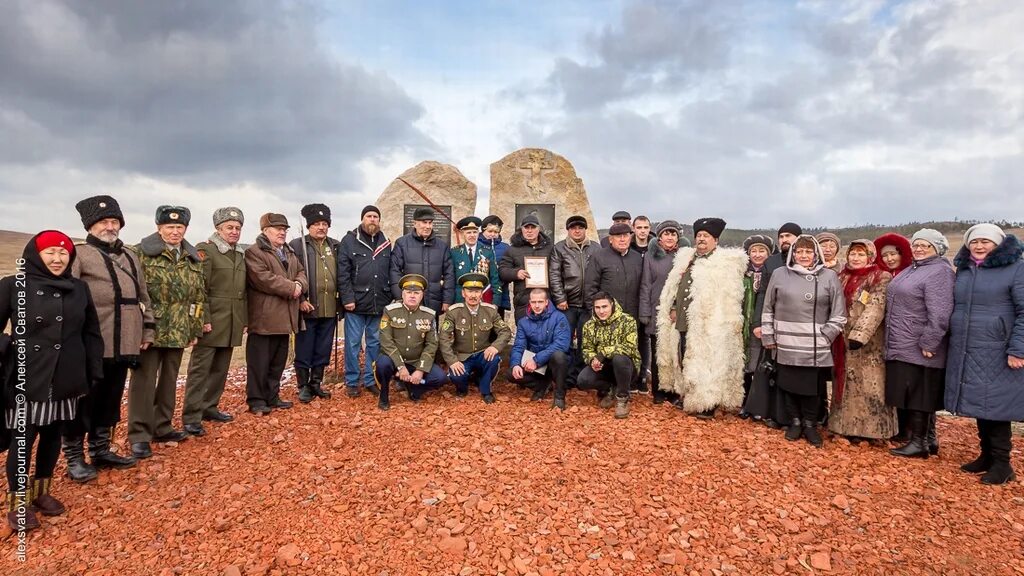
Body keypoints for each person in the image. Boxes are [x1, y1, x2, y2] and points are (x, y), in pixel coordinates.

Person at [1, 231, 103, 531]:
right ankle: (17, 504)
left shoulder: (79, 289)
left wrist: (92, 369)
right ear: (36, 254)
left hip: (66, 376)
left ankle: (41, 493)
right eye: (51, 253)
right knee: (23, 440)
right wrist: (6, 347)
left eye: (63, 253)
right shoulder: (13, 285)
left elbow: (91, 333)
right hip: (27, 375)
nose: (58, 259)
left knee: (52, 437)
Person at [62, 196, 152, 481]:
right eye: (104, 222)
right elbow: (68, 296)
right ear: (91, 226)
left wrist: (147, 330)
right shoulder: (79, 255)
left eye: (114, 222)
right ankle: (74, 457)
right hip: (91, 342)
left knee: (111, 398)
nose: (110, 227)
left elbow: (143, 297)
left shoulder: (130, 256)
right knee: (83, 400)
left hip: (125, 341)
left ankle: (101, 450)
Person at [945, 224, 1024, 484]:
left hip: (999, 348)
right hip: (969, 347)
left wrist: (1018, 349)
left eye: (985, 242)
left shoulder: (1015, 269)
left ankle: (1003, 463)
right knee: (981, 401)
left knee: (997, 405)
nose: (979, 246)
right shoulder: (966, 270)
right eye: (974, 241)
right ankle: (987, 455)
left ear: (998, 244)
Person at [127, 206, 206, 459]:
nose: (175, 232)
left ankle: (162, 426)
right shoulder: (140, 254)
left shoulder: (192, 258)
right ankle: (139, 435)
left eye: (179, 227)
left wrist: (194, 327)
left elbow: (197, 297)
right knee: (144, 382)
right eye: (169, 227)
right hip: (150, 330)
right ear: (159, 228)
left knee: (170, 380)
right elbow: (135, 295)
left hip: (179, 328)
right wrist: (139, 330)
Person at [657, 218, 748, 419]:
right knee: (683, 357)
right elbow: (676, 286)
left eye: (706, 236)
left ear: (715, 239)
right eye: (698, 236)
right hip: (683, 320)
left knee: (707, 361)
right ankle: (689, 395)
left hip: (709, 322)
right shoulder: (687, 259)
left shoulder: (724, 263)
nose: (701, 240)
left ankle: (706, 401)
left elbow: (728, 297)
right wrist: (672, 306)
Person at [761, 235, 846, 447]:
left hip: (815, 344)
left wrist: (826, 335)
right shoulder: (780, 274)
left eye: (808, 252)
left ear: (816, 253)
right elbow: (768, 306)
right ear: (793, 253)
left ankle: (810, 424)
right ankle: (795, 421)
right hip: (786, 340)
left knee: (811, 387)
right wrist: (769, 335)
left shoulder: (828, 276)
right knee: (788, 383)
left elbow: (839, 312)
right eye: (800, 252)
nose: (804, 256)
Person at [884, 229, 954, 459]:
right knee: (915, 390)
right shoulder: (914, 268)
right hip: (904, 341)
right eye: (916, 244)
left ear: (938, 249)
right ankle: (929, 439)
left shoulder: (939, 272)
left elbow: (941, 313)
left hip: (919, 342)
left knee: (920, 392)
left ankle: (918, 442)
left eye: (926, 245)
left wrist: (930, 341)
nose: (919, 248)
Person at [181, 207, 247, 437]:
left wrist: (243, 319)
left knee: (220, 369)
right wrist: (202, 319)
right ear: (218, 229)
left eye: (238, 228)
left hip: (231, 321)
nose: (234, 231)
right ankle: (191, 416)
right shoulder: (206, 251)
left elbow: (242, 291)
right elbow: (199, 289)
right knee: (200, 370)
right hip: (212, 321)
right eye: (229, 227)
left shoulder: (238, 254)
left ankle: (210, 407)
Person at [827, 240, 897, 442]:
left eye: (860, 255)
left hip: (869, 343)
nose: (855, 258)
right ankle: (845, 426)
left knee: (869, 385)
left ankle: (872, 430)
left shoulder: (880, 277)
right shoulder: (842, 277)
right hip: (841, 340)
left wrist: (860, 334)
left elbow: (876, 306)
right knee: (846, 384)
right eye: (852, 254)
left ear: (870, 257)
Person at [245, 213, 308, 415]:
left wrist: (299, 284)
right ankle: (256, 400)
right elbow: (263, 279)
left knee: (277, 361)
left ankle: (272, 396)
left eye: (284, 229)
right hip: (264, 318)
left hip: (284, 318)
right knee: (259, 362)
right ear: (265, 231)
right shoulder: (254, 252)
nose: (282, 232)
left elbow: (301, 272)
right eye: (278, 229)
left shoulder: (288, 252)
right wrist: (292, 288)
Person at [337, 205, 391, 398]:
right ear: (362, 219)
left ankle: (370, 379)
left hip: (379, 304)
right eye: (369, 216)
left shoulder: (385, 242)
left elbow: (389, 271)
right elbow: (343, 274)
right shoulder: (349, 241)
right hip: (356, 304)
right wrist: (348, 298)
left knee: (375, 344)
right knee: (352, 344)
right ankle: (352, 381)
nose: (372, 219)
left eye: (376, 216)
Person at [290, 203, 341, 403]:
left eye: (324, 224)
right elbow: (292, 274)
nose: (321, 227)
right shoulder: (297, 246)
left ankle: (316, 383)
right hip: (307, 307)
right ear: (309, 226)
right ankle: (303, 385)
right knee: (305, 347)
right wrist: (301, 299)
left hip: (329, 306)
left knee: (323, 347)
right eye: (317, 224)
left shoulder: (335, 246)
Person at [374, 274, 447, 410]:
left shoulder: (429, 315)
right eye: (409, 292)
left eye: (416, 293)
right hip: (394, 361)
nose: (412, 296)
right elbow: (386, 341)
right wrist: (401, 367)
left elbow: (431, 345)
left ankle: (414, 388)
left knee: (440, 377)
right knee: (383, 364)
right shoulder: (390, 311)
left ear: (422, 295)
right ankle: (384, 395)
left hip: (416, 361)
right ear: (402, 294)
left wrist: (420, 370)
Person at [586, 221, 644, 392]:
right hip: (606, 319)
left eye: (626, 235)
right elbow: (591, 287)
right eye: (618, 236)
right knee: (606, 354)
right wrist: (596, 314)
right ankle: (607, 387)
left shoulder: (636, 258)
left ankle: (626, 386)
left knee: (626, 355)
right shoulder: (599, 256)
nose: (622, 239)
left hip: (631, 316)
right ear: (610, 239)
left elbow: (642, 286)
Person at [439, 273, 512, 404]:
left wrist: (494, 347)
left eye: (477, 291)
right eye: (470, 291)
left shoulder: (490, 311)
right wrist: (452, 360)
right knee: (457, 375)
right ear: (463, 293)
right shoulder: (454, 312)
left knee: (494, 360)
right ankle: (462, 388)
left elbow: (505, 332)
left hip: (482, 354)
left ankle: (485, 390)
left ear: (481, 294)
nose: (473, 295)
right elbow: (444, 338)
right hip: (462, 356)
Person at [873, 232, 914, 439]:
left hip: (907, 335)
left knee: (911, 384)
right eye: (885, 255)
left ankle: (916, 431)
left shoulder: (911, 274)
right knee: (892, 382)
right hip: (885, 335)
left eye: (893, 254)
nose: (889, 259)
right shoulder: (878, 276)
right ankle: (897, 426)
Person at [549, 215, 598, 387]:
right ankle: (567, 378)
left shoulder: (596, 248)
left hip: (589, 305)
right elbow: (554, 275)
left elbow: (600, 275)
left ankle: (581, 377)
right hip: (567, 304)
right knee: (565, 341)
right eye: (573, 228)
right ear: (568, 230)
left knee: (586, 342)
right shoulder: (560, 248)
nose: (577, 230)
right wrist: (560, 298)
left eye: (580, 227)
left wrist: (596, 302)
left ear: (585, 229)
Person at [574, 292, 640, 418]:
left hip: (626, 368)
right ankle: (610, 389)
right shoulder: (589, 325)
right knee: (582, 380)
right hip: (604, 367)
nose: (601, 311)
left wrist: (603, 353)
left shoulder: (627, 321)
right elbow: (586, 349)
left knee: (619, 359)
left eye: (605, 307)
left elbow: (630, 347)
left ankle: (622, 399)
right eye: (597, 308)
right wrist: (593, 359)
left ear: (612, 305)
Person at [639, 220, 683, 405]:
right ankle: (658, 390)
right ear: (659, 237)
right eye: (666, 233)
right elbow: (645, 285)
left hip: (678, 311)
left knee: (675, 351)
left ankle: (674, 390)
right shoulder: (650, 257)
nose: (670, 237)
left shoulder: (684, 257)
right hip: (658, 309)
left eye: (673, 234)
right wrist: (645, 312)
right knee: (659, 352)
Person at [739, 234, 779, 423]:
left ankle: (761, 404)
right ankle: (744, 402)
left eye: (761, 250)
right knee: (745, 361)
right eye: (753, 251)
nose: (757, 254)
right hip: (744, 323)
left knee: (761, 364)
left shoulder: (773, 272)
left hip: (763, 322)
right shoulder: (741, 272)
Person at [508, 289, 571, 402]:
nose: (537, 306)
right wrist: (516, 364)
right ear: (530, 302)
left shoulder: (559, 317)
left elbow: (561, 344)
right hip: (535, 365)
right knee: (511, 373)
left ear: (546, 302)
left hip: (551, 362)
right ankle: (543, 385)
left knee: (559, 356)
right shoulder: (523, 322)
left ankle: (559, 397)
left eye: (540, 302)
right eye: (533, 302)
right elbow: (519, 346)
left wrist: (536, 360)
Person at [390, 207, 454, 313]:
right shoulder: (401, 244)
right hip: (408, 302)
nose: (428, 226)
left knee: (431, 330)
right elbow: (394, 271)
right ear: (415, 223)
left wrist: (447, 299)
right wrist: (399, 296)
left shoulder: (442, 247)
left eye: (430, 223)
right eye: (424, 222)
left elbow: (449, 274)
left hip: (433, 302)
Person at [752, 223, 803, 345]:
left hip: (802, 320)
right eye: (781, 237)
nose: (784, 240)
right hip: (776, 320)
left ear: (799, 238)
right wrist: (758, 323)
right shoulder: (771, 262)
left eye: (788, 236)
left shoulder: (807, 260)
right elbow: (762, 294)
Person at [498, 215, 555, 321]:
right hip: (524, 300)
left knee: (547, 334)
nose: (529, 231)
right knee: (525, 333)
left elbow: (557, 270)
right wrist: (516, 273)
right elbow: (502, 271)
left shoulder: (550, 248)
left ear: (539, 229)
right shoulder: (512, 250)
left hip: (546, 299)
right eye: (526, 228)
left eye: (532, 228)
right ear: (522, 229)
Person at [450, 217, 501, 305]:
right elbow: (451, 279)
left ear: (478, 233)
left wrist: (495, 302)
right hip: (460, 300)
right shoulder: (455, 253)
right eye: (469, 233)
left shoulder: (487, 252)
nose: (472, 235)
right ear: (463, 234)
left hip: (482, 300)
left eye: (475, 232)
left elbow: (494, 279)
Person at [631, 216, 654, 389]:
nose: (643, 231)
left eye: (645, 227)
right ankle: (631, 375)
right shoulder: (627, 246)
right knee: (632, 338)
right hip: (631, 298)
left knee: (645, 339)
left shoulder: (655, 248)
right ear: (633, 228)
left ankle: (643, 375)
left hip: (649, 299)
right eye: (639, 227)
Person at [481, 216, 512, 317]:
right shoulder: (477, 246)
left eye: (496, 232)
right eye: (490, 231)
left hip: (500, 292)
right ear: (483, 230)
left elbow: (509, 268)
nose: (492, 234)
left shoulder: (506, 248)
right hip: (481, 292)